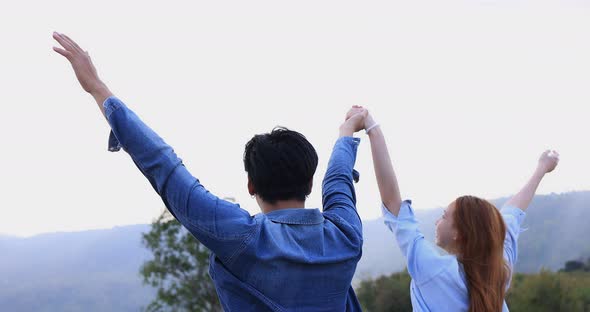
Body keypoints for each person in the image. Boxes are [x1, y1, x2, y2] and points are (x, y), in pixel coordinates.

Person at [53, 32, 366, 311]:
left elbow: (166, 167)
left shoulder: (244, 238)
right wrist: (346, 131)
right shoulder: (344, 235)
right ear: (310, 182)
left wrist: (97, 88)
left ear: (251, 185)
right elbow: (338, 180)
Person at [348, 106, 559, 312]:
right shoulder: (500, 267)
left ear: (459, 232)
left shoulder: (432, 270)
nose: (436, 222)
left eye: (443, 217)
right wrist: (541, 168)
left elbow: (392, 202)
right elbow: (513, 211)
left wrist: (372, 128)